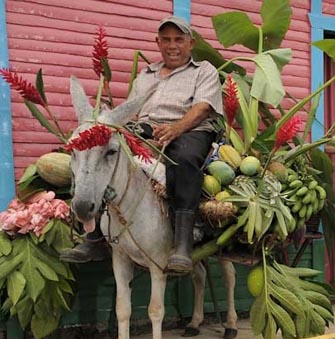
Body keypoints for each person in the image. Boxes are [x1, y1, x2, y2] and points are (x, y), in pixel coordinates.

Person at [60, 15, 223, 275]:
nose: (173, 45)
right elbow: (134, 115)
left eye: (179, 40)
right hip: (147, 130)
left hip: (190, 130)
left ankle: (182, 245)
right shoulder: (145, 76)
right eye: (166, 40)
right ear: (157, 43)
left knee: (185, 159)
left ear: (191, 43)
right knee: (106, 157)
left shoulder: (203, 70)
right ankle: (95, 239)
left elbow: (203, 108)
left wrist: (176, 129)